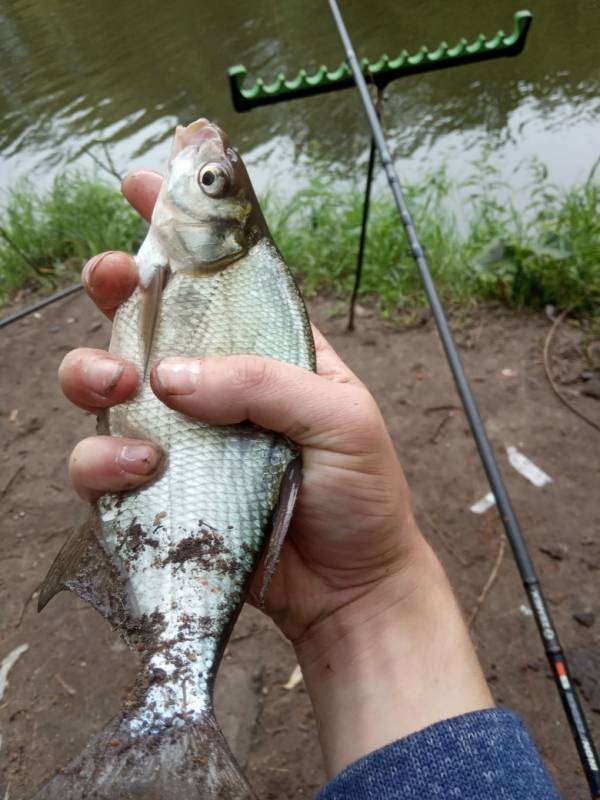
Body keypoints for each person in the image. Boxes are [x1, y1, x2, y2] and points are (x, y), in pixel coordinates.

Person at [58, 170, 561, 799]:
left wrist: (365, 590)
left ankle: (172, 704)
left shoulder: (208, 271)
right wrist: (368, 595)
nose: (203, 176)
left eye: (211, 181)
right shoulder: (201, 267)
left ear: (225, 228)